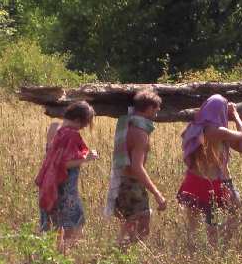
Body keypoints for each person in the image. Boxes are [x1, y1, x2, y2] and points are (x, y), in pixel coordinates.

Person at [177, 94, 242, 246]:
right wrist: (236, 116)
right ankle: (215, 248)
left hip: (193, 180)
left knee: (193, 225)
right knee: (229, 216)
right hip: (212, 183)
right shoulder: (216, 131)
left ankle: (192, 250)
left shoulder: (195, 127)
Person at [105, 88, 167, 245]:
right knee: (141, 228)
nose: (158, 110)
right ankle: (119, 254)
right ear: (149, 108)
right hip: (131, 184)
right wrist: (157, 193)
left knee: (130, 226)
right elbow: (137, 167)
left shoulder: (127, 125)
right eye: (157, 107)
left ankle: (116, 254)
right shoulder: (140, 133)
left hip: (123, 181)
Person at [36, 101, 98, 247]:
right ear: (77, 120)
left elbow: (55, 156)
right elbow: (63, 163)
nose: (83, 127)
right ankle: (64, 256)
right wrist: (87, 159)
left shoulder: (54, 128)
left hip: (49, 186)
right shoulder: (71, 135)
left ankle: (53, 257)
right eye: (84, 124)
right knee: (74, 227)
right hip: (65, 189)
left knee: (55, 230)